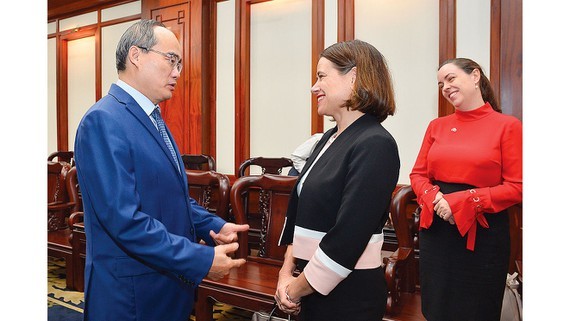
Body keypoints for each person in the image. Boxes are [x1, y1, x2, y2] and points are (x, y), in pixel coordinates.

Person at [74, 19, 249, 321]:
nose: (178, 72)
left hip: (164, 285)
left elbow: (168, 194)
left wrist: (212, 224)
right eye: (171, 59)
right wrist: (200, 258)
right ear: (136, 56)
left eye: (179, 63)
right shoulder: (104, 120)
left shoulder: (153, 118)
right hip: (130, 296)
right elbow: (124, 220)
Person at [275, 39, 400, 320]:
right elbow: (299, 212)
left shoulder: (375, 143)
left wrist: (294, 289)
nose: (314, 87)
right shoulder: (329, 138)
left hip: (348, 296)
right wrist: (285, 274)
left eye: (321, 76)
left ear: (354, 77)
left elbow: (348, 237)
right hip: (308, 287)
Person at [409, 58, 522, 321]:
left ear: (475, 76)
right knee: (436, 307)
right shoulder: (436, 126)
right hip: (437, 231)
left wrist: (463, 202)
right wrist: (435, 198)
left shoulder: (508, 126)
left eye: (450, 79)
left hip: (483, 236)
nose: (445, 87)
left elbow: (518, 187)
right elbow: (418, 174)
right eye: (440, 84)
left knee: (477, 310)